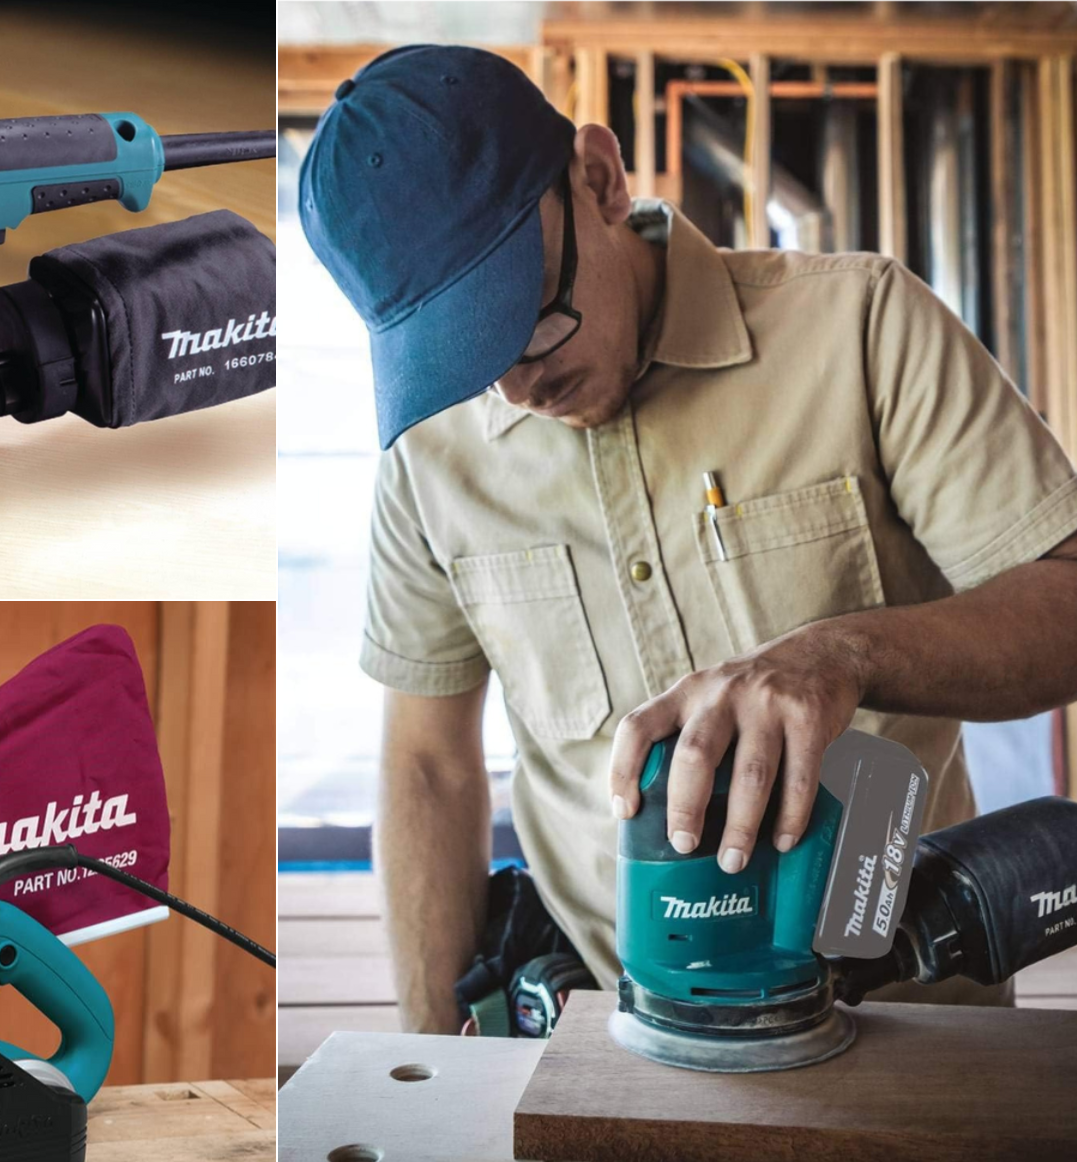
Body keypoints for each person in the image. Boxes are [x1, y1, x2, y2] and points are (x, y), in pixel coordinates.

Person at [299, 44, 1077, 1034]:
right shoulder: (429, 461)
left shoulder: (861, 326)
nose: (516, 389)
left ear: (598, 178)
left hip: (911, 1030)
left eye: (528, 320)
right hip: (611, 1038)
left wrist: (847, 653)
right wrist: (426, 1076)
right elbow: (427, 765)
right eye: (462, 357)